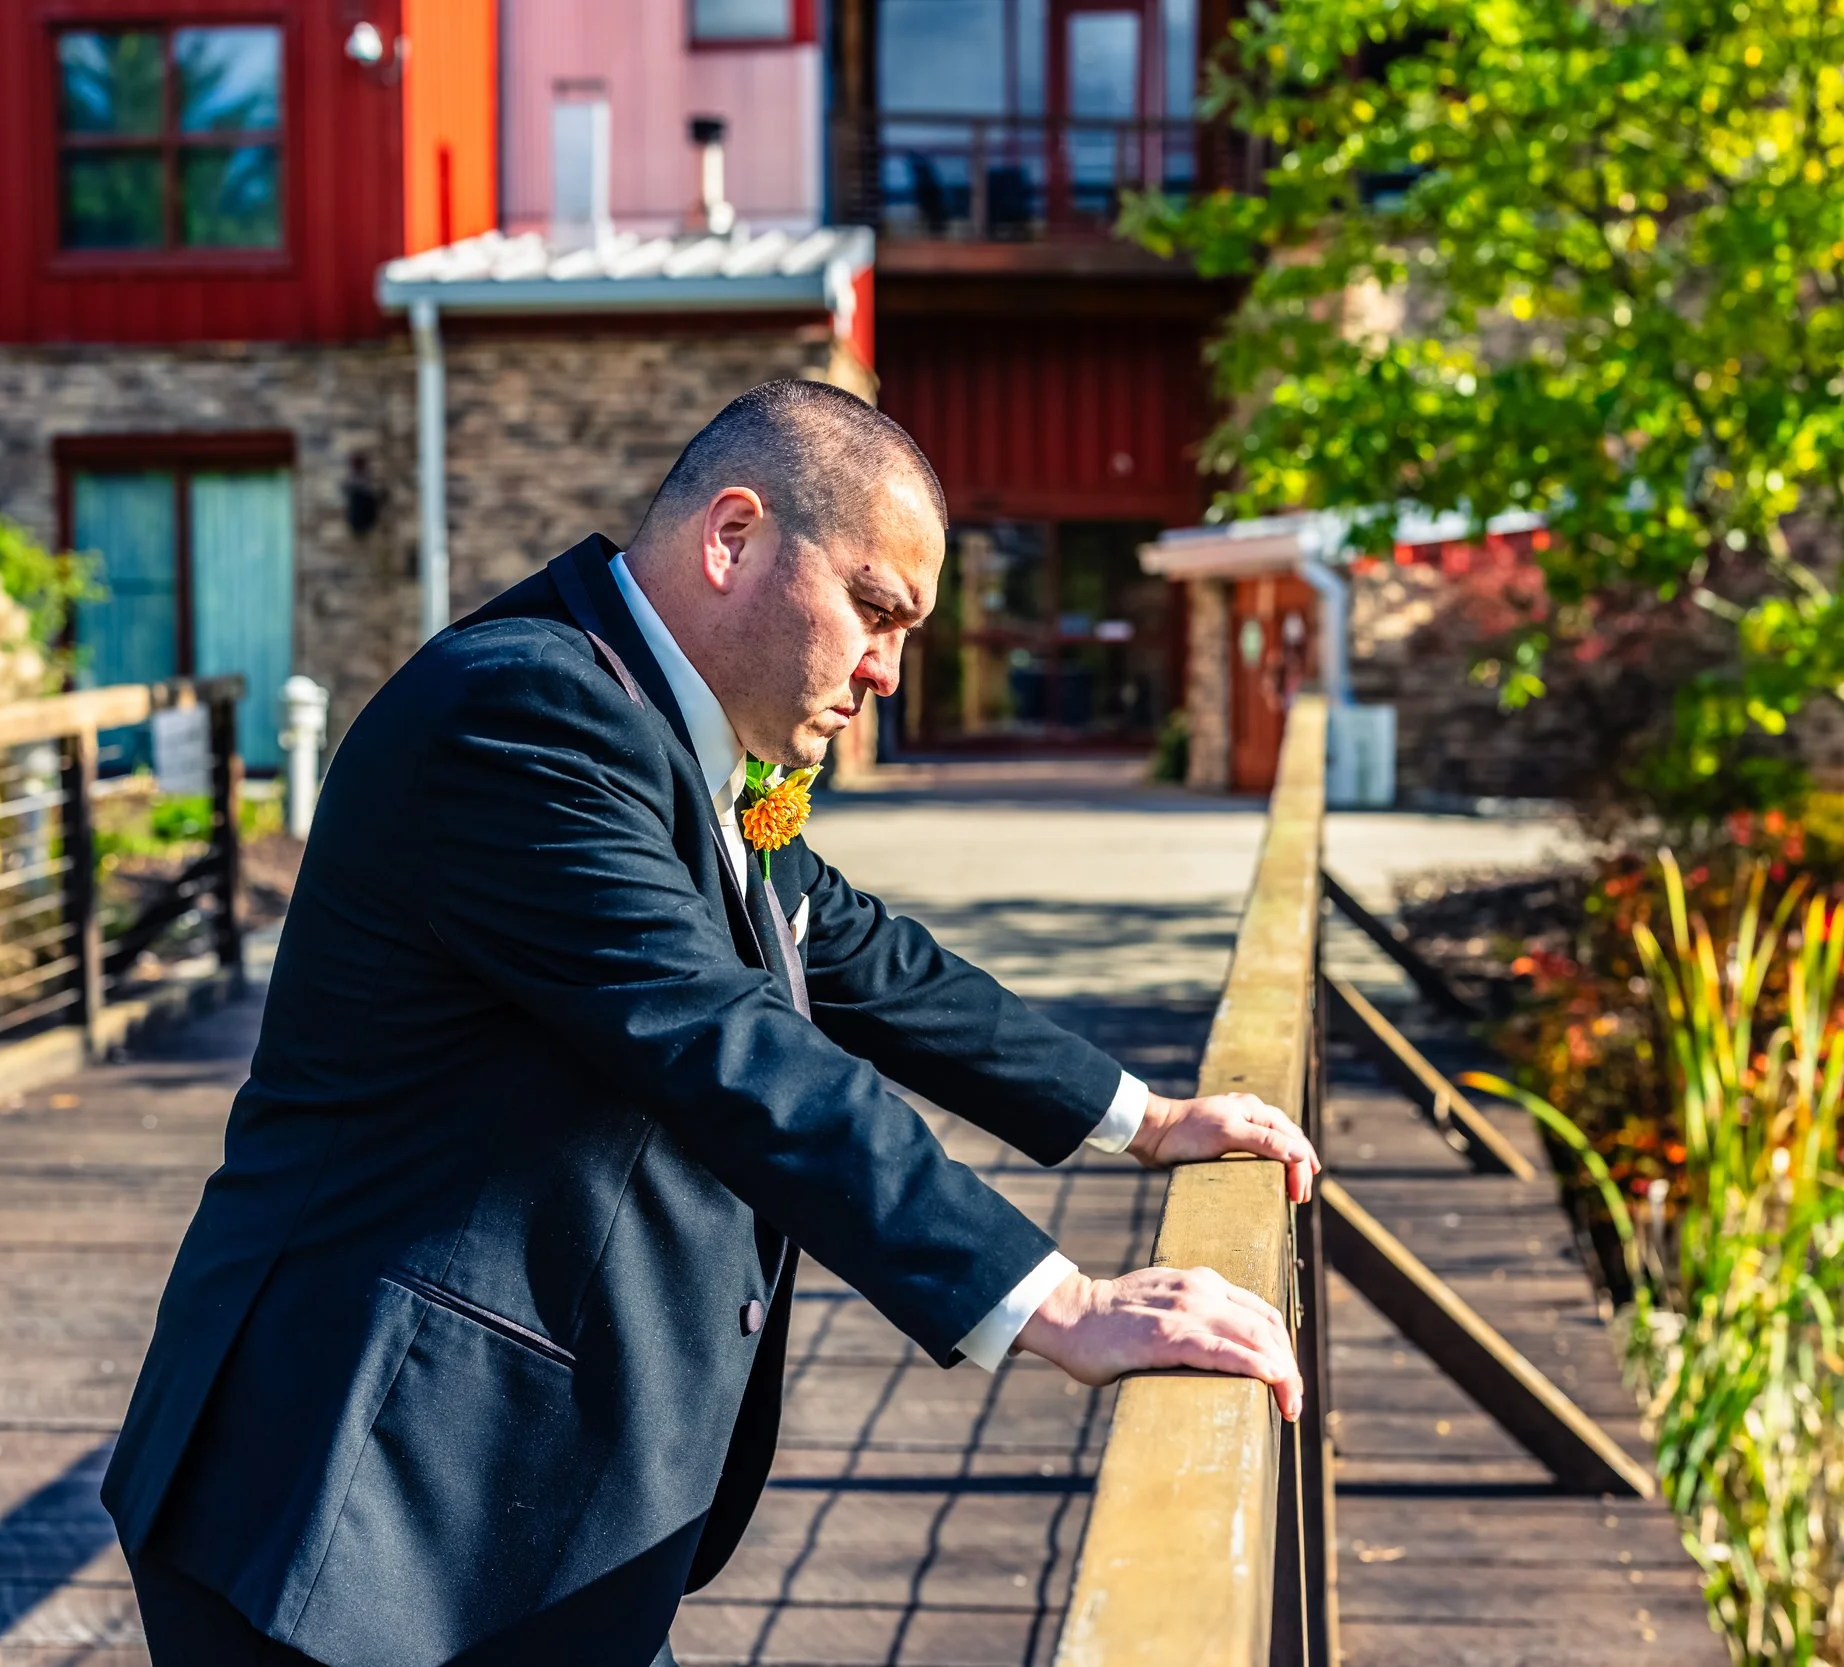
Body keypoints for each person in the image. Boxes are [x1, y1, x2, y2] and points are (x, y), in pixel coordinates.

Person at [101, 381, 1317, 1667]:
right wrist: (1060, 1300)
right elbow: (729, 1046)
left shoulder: (668, 730)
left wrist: (1145, 1121)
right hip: (343, 1497)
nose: (887, 672)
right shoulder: (518, 716)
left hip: (495, 1498)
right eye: (876, 609)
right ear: (732, 536)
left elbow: (845, 947)